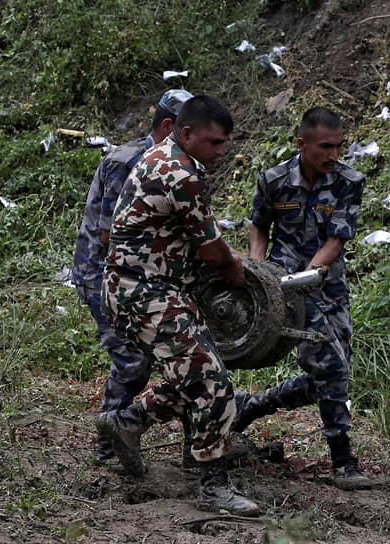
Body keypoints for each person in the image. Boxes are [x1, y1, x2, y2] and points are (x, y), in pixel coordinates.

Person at [96, 95, 260, 516]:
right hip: (144, 292)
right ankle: (212, 484)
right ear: (187, 134)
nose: (222, 152)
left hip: (143, 289)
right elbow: (213, 252)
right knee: (210, 379)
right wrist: (239, 271)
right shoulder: (180, 174)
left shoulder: (163, 157)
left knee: (190, 373)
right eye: (216, 142)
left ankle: (127, 423)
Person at [234, 107, 372, 491]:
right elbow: (259, 225)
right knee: (332, 370)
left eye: (338, 146)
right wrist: (257, 273)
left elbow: (337, 240)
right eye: (325, 147)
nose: (333, 154)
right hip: (285, 294)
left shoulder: (348, 181)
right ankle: (343, 460)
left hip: (328, 288)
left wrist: (309, 275)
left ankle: (253, 405)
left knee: (328, 376)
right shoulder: (274, 180)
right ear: (302, 144)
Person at [71, 89, 193, 463]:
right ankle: (108, 447)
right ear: (170, 126)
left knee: (178, 357)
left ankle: (183, 447)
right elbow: (112, 237)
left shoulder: (174, 163)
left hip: (144, 278)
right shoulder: (128, 162)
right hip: (105, 275)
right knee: (132, 363)